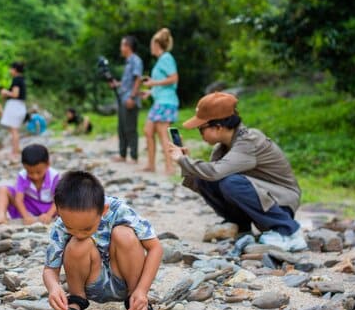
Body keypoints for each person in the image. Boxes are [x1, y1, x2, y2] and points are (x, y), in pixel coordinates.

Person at [168, 92, 308, 252]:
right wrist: (187, 163)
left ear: (218, 127)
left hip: (282, 201)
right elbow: (208, 178)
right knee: (205, 178)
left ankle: (288, 231)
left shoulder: (249, 141)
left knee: (230, 182)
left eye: (201, 129)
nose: (200, 134)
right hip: (263, 196)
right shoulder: (222, 147)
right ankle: (240, 227)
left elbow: (215, 172)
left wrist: (183, 161)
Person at [42, 171, 163, 310]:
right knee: (78, 244)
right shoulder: (60, 225)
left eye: (86, 228)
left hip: (124, 279)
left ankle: (135, 298)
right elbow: (49, 270)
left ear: (103, 210)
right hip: (90, 282)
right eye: (70, 228)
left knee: (124, 233)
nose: (78, 233)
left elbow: (155, 248)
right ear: (58, 212)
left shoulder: (119, 210)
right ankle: (76, 299)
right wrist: (53, 287)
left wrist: (142, 290)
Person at [0, 144, 60, 227]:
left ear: (47, 164)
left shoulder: (54, 176)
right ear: (24, 166)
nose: (35, 176)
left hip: (50, 208)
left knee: (65, 200)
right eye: (30, 172)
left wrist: (49, 215)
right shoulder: (22, 176)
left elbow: (57, 200)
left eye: (39, 172)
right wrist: (26, 216)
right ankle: (1, 216)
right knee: (3, 189)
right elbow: (19, 200)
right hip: (29, 207)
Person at [141, 28, 179, 174]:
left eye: (152, 44)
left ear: (157, 44)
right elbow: (164, 83)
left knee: (163, 133)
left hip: (166, 102)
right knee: (148, 130)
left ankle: (170, 167)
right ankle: (151, 165)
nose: (151, 47)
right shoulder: (161, 61)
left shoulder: (166, 58)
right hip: (160, 100)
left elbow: (173, 79)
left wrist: (153, 84)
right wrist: (150, 92)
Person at [110, 36, 143, 163]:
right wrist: (117, 84)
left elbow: (137, 79)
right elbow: (127, 82)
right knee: (122, 128)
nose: (121, 48)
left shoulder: (136, 60)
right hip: (122, 99)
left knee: (130, 128)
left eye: (122, 45)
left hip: (130, 99)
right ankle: (122, 155)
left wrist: (132, 97)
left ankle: (134, 157)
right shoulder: (128, 62)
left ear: (128, 46)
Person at [0, 61, 27, 159]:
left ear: (14, 70)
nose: (10, 71)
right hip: (20, 106)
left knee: (14, 130)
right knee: (15, 129)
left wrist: (5, 92)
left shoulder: (16, 80)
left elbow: (15, 94)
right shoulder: (22, 79)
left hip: (15, 106)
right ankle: (16, 149)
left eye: (11, 69)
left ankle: (14, 152)